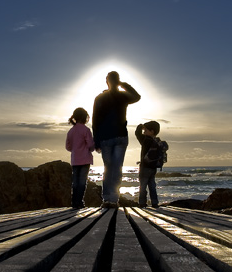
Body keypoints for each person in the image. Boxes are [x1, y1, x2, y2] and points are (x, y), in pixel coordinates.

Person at [91, 71, 140, 207]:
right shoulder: (122, 96)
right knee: (117, 168)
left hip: (107, 138)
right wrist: (123, 84)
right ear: (117, 81)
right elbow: (137, 96)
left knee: (108, 168)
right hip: (120, 137)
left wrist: (96, 140)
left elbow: (95, 121)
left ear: (107, 81)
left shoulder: (100, 98)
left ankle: (107, 199)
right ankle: (113, 199)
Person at [65, 107, 95, 209]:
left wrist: (75, 150)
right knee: (82, 182)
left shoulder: (70, 131)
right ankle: (79, 202)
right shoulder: (86, 130)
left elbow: (68, 147)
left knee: (75, 182)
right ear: (85, 117)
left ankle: (74, 202)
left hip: (75, 159)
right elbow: (90, 145)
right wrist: (90, 148)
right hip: (85, 159)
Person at [135, 120, 163, 208]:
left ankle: (142, 203)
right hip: (153, 168)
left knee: (142, 186)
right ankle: (155, 203)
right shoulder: (157, 141)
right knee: (152, 186)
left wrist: (140, 126)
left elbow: (137, 133)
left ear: (152, 131)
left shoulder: (145, 140)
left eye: (145, 130)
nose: (144, 132)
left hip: (145, 167)